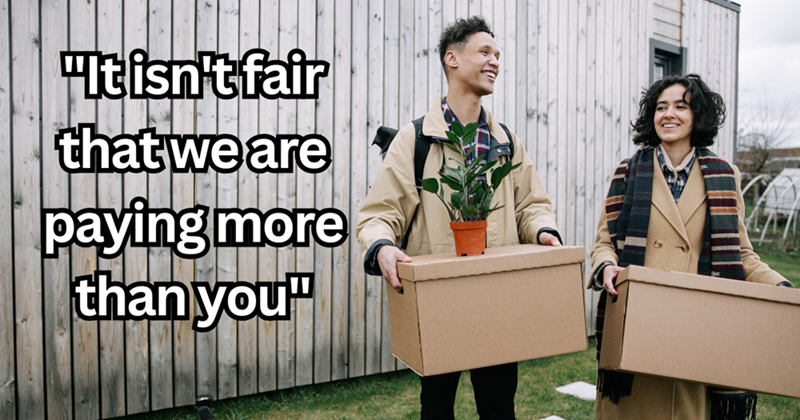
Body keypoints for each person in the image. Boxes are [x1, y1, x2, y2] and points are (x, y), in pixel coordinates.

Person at [357, 16, 561, 420]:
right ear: (452, 58)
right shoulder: (415, 139)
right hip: (438, 301)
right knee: (436, 409)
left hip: (498, 298)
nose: (495, 61)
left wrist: (542, 231)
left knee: (499, 408)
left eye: (497, 54)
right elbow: (380, 212)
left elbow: (531, 205)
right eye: (485, 52)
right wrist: (381, 247)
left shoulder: (506, 142)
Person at [588, 74, 794, 420]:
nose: (668, 114)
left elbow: (742, 254)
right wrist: (607, 266)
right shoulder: (627, 172)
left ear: (697, 115)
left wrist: (782, 289)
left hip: (697, 328)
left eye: (680, 106)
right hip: (637, 324)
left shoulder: (725, 176)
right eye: (661, 107)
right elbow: (605, 243)